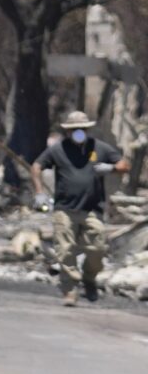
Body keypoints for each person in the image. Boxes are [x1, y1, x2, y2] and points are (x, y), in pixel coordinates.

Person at [32, 111, 130, 307]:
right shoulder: (58, 149)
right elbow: (36, 166)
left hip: (92, 209)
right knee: (65, 250)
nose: (78, 133)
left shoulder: (99, 148)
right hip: (65, 209)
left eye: (82, 129)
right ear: (67, 131)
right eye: (74, 130)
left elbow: (124, 164)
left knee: (98, 248)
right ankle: (70, 290)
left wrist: (111, 169)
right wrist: (40, 193)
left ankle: (89, 278)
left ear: (87, 130)